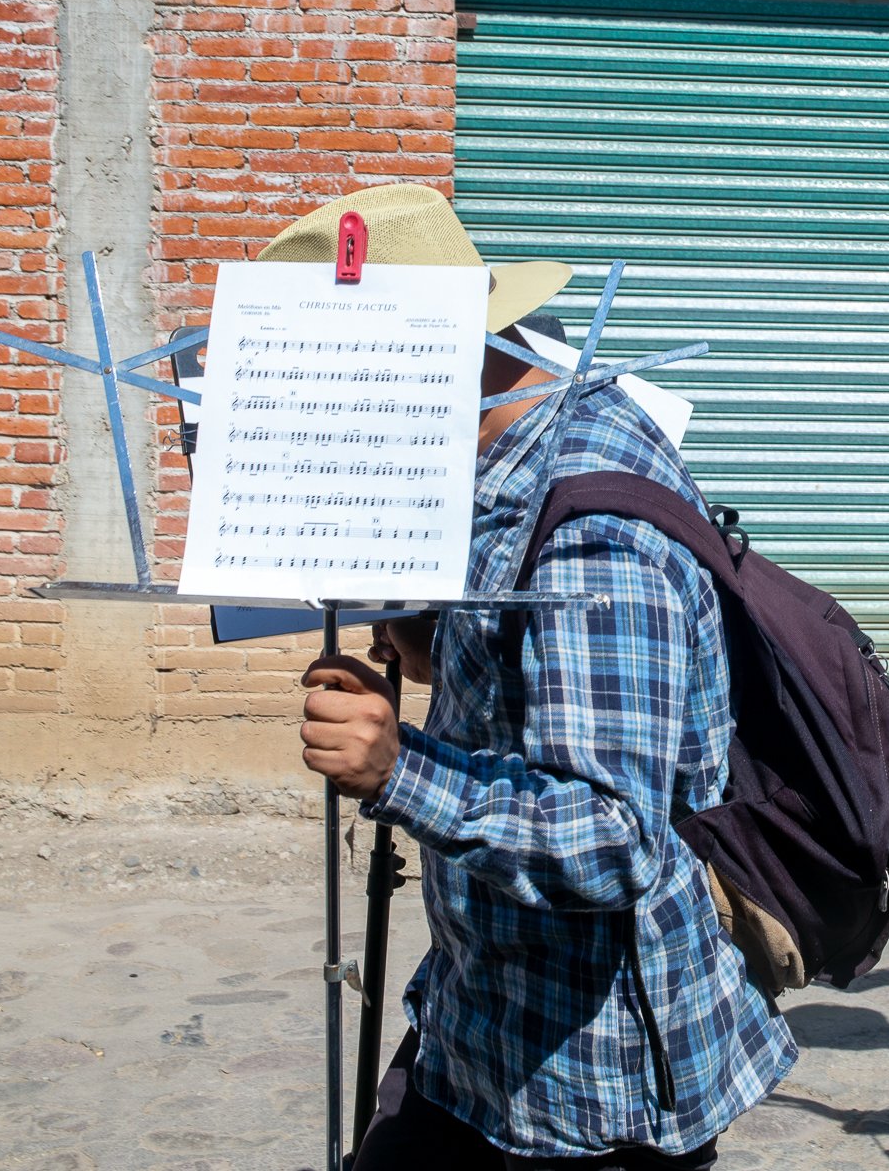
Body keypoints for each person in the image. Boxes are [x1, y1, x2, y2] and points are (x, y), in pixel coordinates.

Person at [276, 185, 796, 1168]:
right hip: (484, 1017)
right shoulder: (513, 445)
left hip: (584, 1083)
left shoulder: (599, 550)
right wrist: (430, 643)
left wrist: (397, 771)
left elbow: (612, 839)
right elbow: (521, 693)